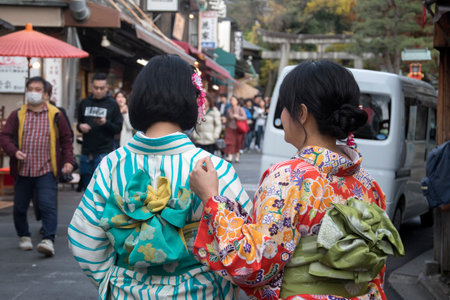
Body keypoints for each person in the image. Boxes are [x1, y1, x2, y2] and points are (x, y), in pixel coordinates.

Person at [189, 60, 404, 300]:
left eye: (284, 107)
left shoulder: (289, 179)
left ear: (301, 113)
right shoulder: (368, 184)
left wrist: (211, 199)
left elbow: (252, 265)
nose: (281, 115)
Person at [68, 55, 252, 299]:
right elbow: (242, 244)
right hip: (200, 292)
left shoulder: (111, 166)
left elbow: (84, 239)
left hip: (127, 291)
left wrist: (112, 281)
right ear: (191, 100)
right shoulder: (214, 169)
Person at [0, 76, 75, 257]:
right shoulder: (17, 114)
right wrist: (13, 151)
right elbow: (5, 136)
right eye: (31, 89)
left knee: (47, 205)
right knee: (19, 207)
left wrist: (68, 161)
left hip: (47, 169)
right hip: (23, 170)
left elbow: (66, 140)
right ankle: (24, 235)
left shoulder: (56, 114)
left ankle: (48, 239)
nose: (33, 92)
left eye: (38, 89)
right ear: (26, 92)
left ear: (46, 94)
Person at [76, 73, 122, 192]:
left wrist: (105, 123)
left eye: (102, 88)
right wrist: (81, 127)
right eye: (96, 88)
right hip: (86, 151)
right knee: (86, 190)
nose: (98, 91)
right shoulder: (84, 102)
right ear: (91, 87)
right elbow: (79, 123)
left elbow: (118, 128)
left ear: (106, 88)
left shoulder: (112, 104)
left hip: (104, 151)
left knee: (101, 189)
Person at [224, 95, 247, 163]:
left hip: (238, 129)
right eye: (231, 100)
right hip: (230, 127)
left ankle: (237, 157)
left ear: (237, 101)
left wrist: (237, 117)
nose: (232, 101)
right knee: (230, 142)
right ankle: (230, 156)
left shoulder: (240, 109)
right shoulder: (228, 109)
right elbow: (228, 119)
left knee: (238, 142)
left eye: (233, 100)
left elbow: (244, 117)